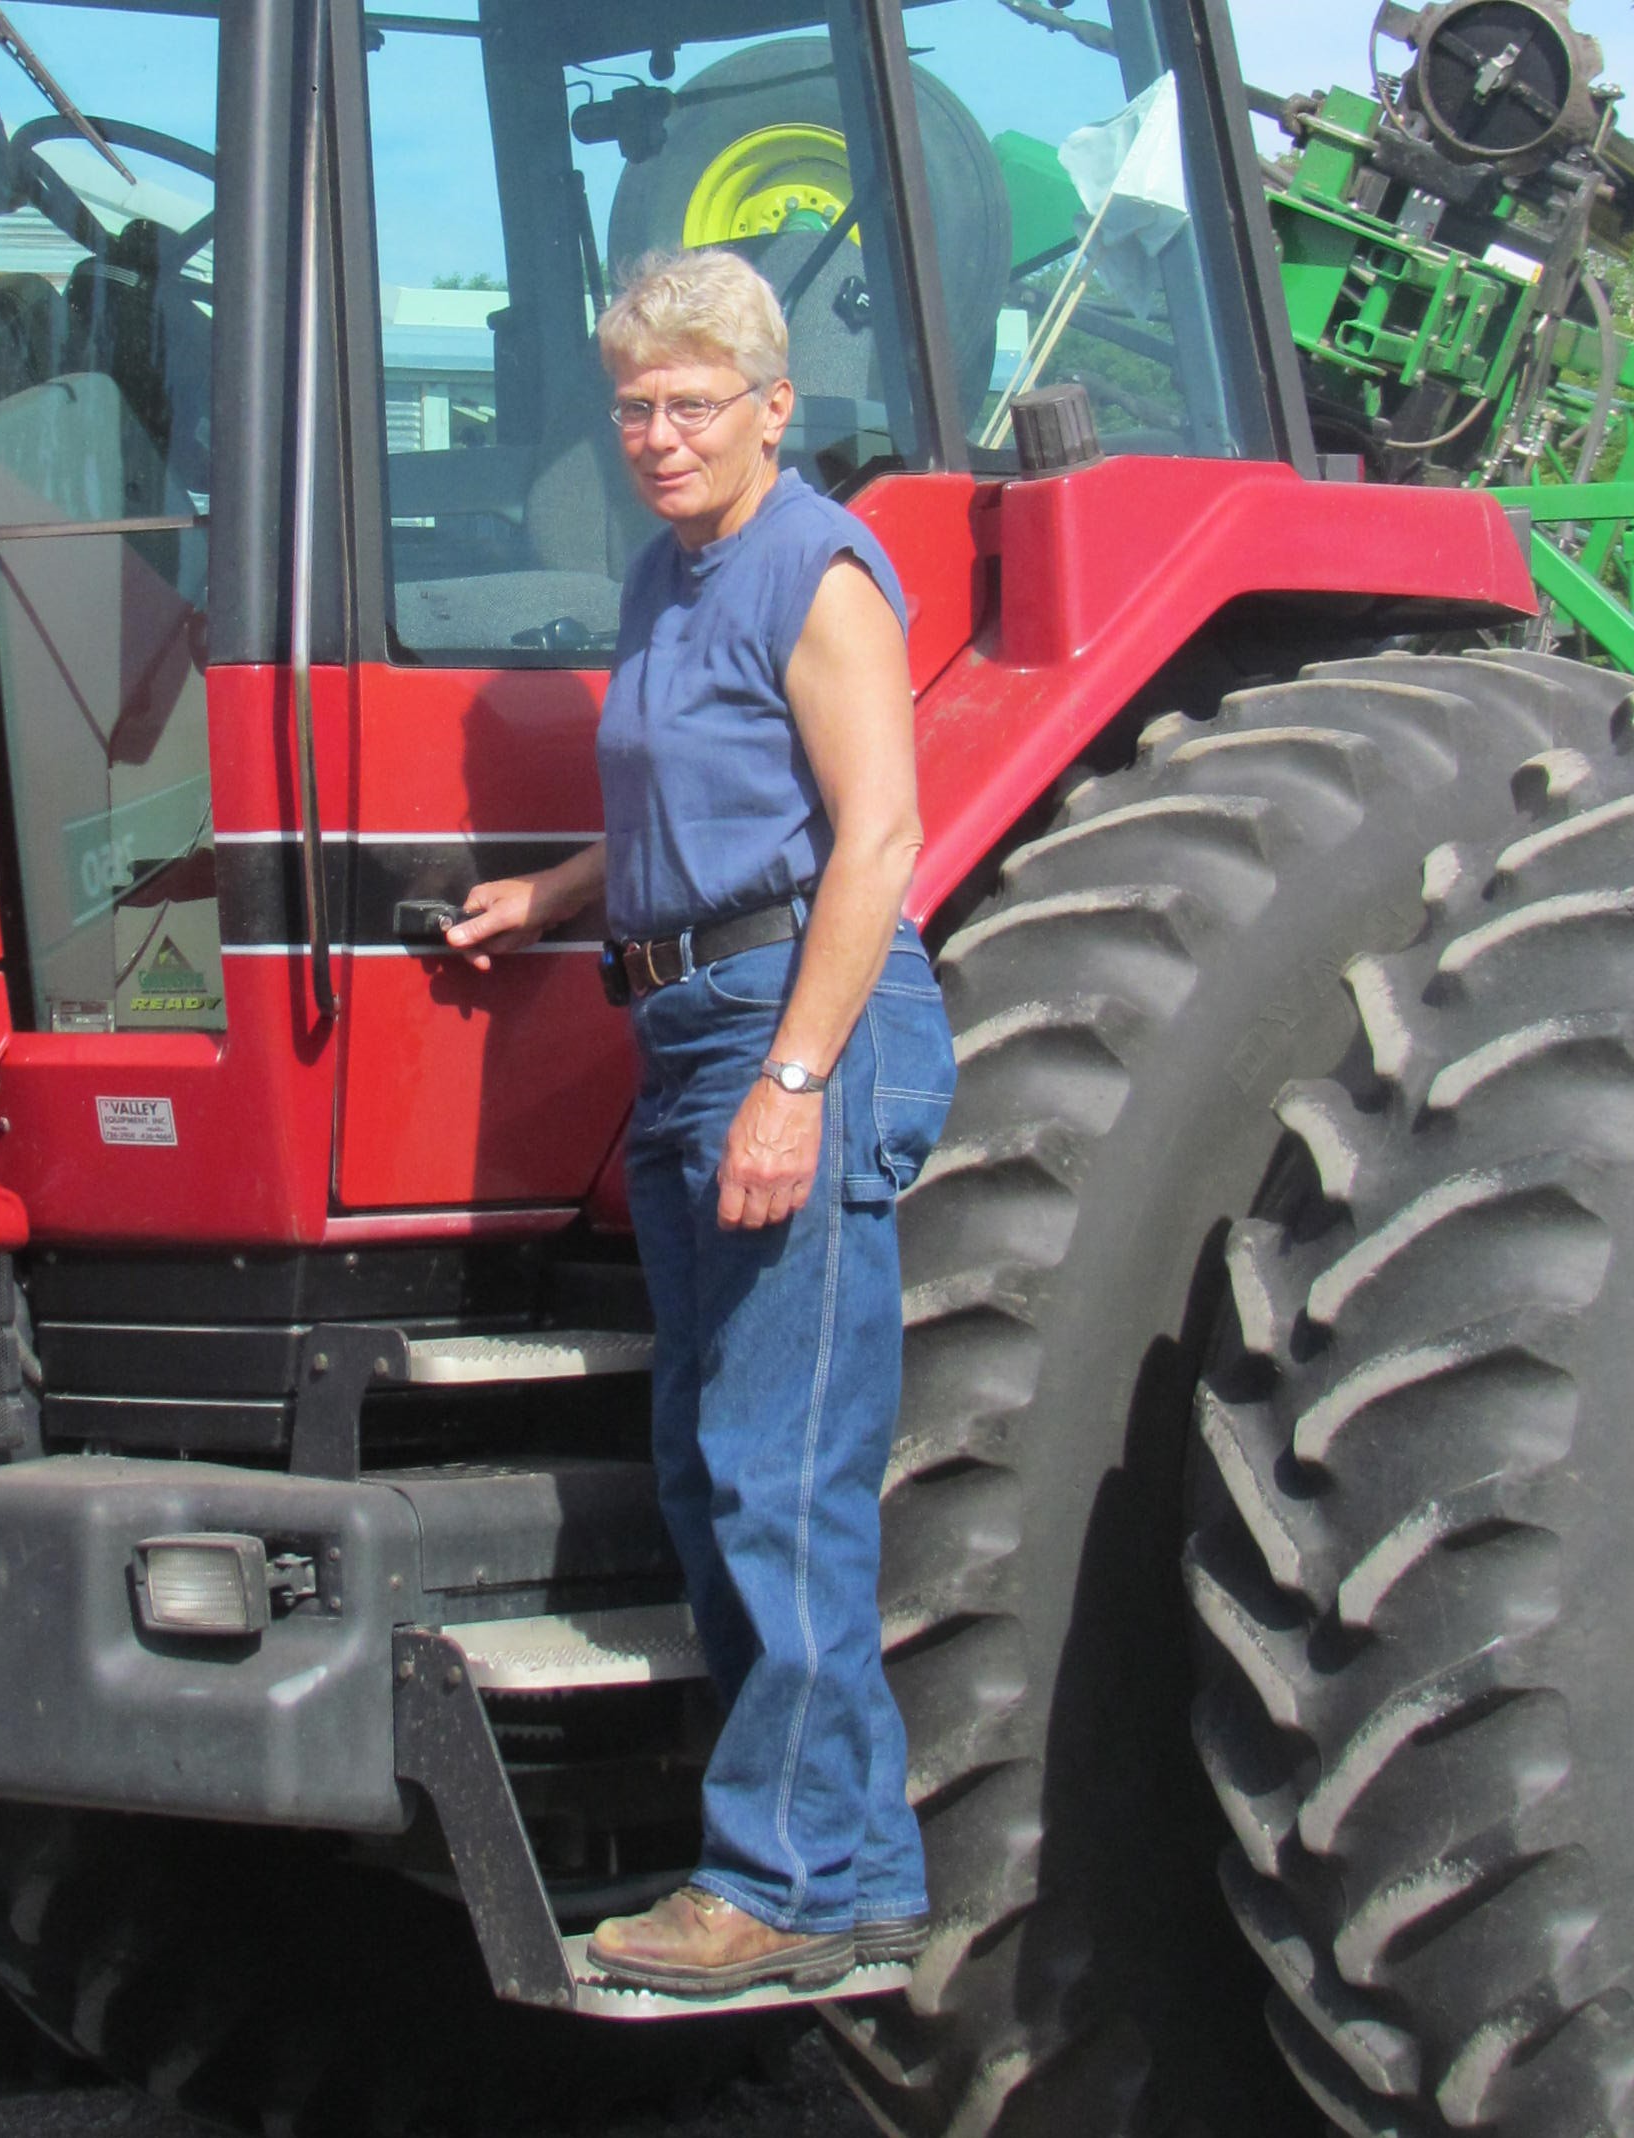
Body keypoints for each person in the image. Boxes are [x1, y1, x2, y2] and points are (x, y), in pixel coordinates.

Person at [442, 248, 954, 1995]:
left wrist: (797, 1087)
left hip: (794, 1027)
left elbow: (870, 844)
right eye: (633, 408)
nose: (656, 435)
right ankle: (858, 1875)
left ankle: (780, 1885)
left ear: (771, 407)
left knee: (776, 1469)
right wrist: (562, 892)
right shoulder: (671, 578)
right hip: (686, 1021)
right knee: (707, 1461)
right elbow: (716, 805)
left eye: (689, 405)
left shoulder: (818, 571)